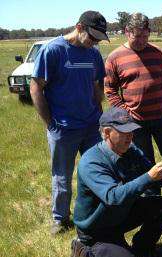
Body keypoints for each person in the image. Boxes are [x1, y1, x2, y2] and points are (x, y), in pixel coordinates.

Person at [71, 107, 162, 257]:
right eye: (124, 132)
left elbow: (148, 179)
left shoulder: (132, 150)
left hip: (120, 215)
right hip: (97, 230)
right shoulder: (91, 161)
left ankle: (143, 249)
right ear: (107, 133)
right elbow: (113, 197)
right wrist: (150, 176)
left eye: (131, 131)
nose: (130, 136)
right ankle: (84, 251)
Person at [30, 11, 108, 235]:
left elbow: (96, 86)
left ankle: (95, 212)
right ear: (79, 27)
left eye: (98, 39)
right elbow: (36, 87)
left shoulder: (93, 54)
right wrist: (50, 123)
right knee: (62, 176)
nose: (94, 42)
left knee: (96, 170)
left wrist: (99, 114)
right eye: (92, 37)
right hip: (63, 128)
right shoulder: (53, 50)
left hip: (91, 125)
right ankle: (60, 218)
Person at [104, 13, 162, 209]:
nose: (141, 41)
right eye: (136, 36)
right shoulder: (115, 58)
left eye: (145, 36)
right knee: (145, 162)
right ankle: (153, 201)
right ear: (127, 32)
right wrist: (125, 114)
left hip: (161, 119)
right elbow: (110, 90)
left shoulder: (159, 53)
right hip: (134, 122)